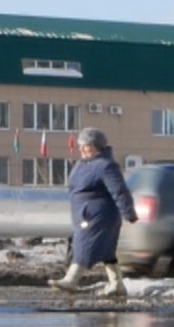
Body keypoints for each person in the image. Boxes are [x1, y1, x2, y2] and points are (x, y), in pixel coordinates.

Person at [51, 127, 137, 297]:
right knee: (106, 252)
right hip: (85, 214)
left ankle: (72, 280)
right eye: (80, 145)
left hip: (100, 216)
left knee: (84, 246)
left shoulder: (105, 166)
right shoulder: (82, 164)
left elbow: (119, 190)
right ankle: (117, 284)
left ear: (97, 146)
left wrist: (128, 212)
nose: (82, 149)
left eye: (87, 145)